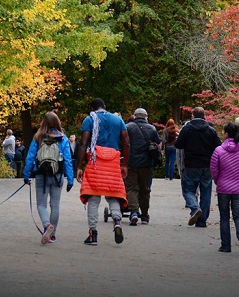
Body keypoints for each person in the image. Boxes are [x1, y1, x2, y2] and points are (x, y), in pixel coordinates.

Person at [76, 98, 130, 245]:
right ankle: (117, 221)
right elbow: (126, 142)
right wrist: (124, 165)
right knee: (113, 196)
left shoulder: (90, 119)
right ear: (104, 106)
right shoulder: (118, 120)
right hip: (112, 162)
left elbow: (83, 143)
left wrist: (79, 167)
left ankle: (93, 234)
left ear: (92, 108)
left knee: (93, 199)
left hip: (95, 161)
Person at [23, 112, 74, 244]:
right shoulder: (63, 138)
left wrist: (26, 174)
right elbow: (68, 159)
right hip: (58, 175)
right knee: (55, 205)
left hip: (41, 174)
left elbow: (30, 157)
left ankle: (46, 226)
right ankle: (53, 234)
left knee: (41, 204)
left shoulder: (38, 137)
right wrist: (70, 178)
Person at [175, 107, 221, 227]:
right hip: (207, 165)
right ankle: (202, 221)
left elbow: (178, 144)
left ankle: (194, 208)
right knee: (206, 193)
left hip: (191, 164)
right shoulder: (211, 130)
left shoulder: (187, 129)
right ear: (204, 115)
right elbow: (218, 147)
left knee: (188, 190)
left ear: (192, 115)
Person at [210, 122, 239, 254]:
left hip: (223, 187)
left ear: (226, 134)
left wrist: (217, 181)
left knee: (224, 216)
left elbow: (214, 169)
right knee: (238, 215)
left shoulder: (218, 150)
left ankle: (226, 245)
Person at [125, 108, 161, 226]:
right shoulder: (151, 128)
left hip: (131, 163)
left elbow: (123, 143)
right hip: (146, 164)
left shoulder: (128, 127)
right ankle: (144, 215)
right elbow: (157, 142)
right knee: (145, 189)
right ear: (146, 117)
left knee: (131, 188)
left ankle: (134, 212)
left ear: (135, 116)